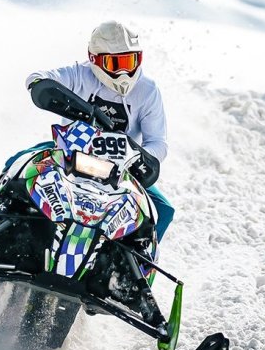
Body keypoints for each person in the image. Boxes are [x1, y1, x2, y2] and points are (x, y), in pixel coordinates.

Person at [24, 20, 174, 242]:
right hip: (67, 155)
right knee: (15, 168)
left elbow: (158, 142)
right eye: (115, 63)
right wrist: (42, 87)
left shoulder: (148, 90)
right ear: (95, 60)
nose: (124, 71)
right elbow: (37, 77)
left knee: (163, 211)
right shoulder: (79, 74)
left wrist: (134, 155)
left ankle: (139, 268)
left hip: (121, 170)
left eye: (131, 61)